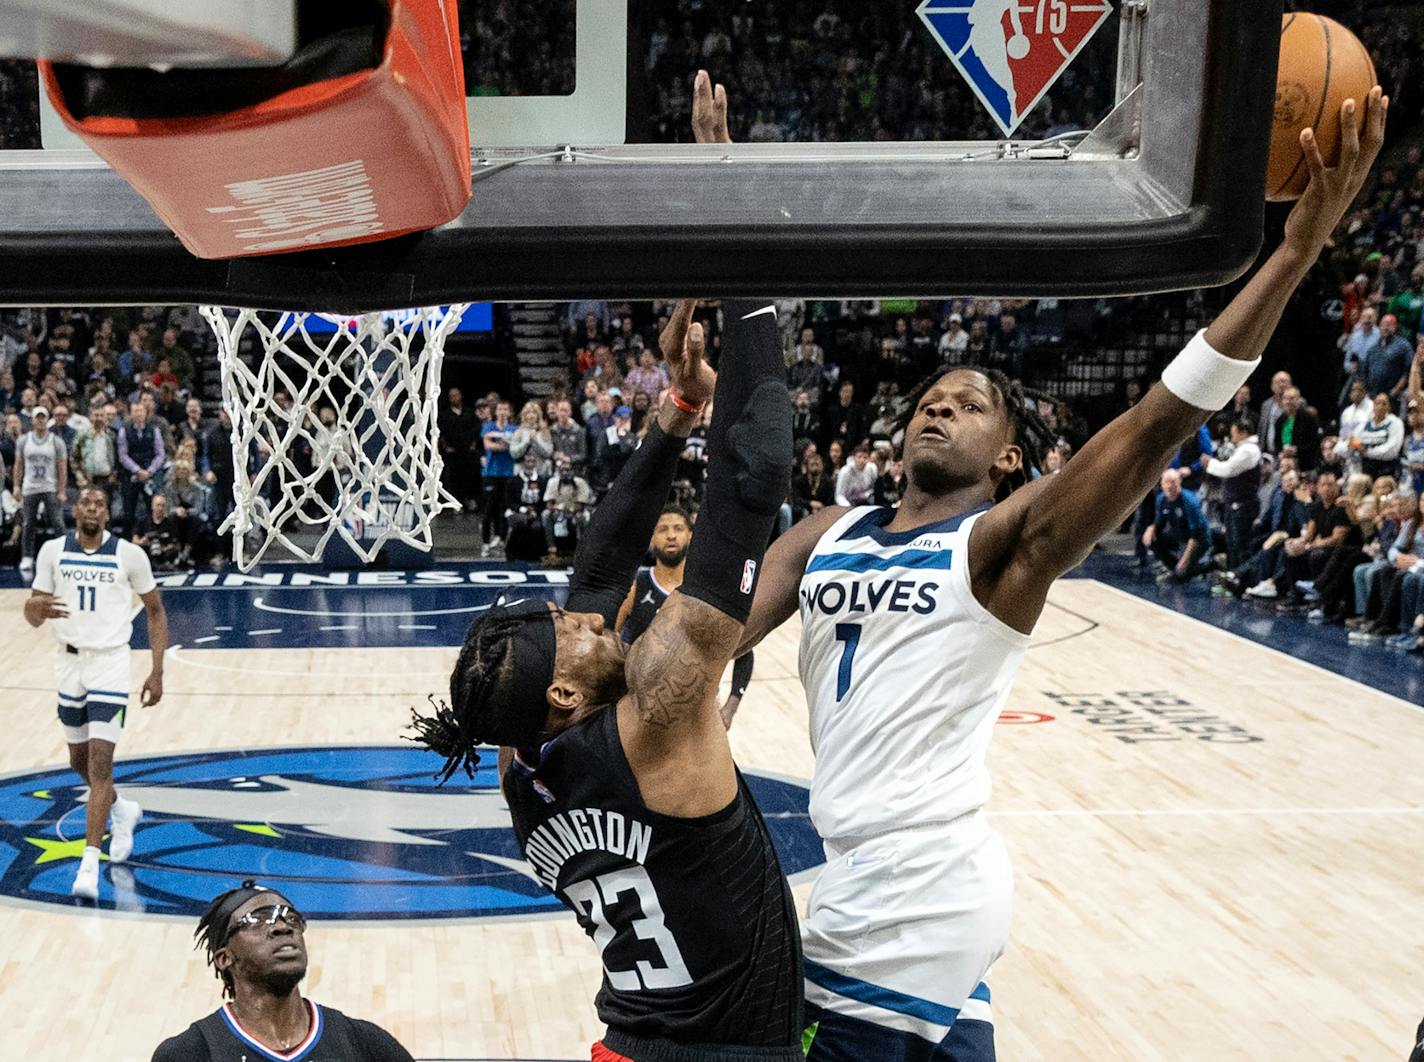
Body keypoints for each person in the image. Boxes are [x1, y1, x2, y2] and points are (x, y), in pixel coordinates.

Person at [729, 88, 1387, 1060]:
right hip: (881, 884)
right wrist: (733, 247)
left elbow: (1153, 423)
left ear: (1006, 459)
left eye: (969, 405)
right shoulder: (827, 529)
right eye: (930, 400)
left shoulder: (1000, 547)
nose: (940, 408)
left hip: (901, 904)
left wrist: (1289, 257)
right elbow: (712, 622)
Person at [413, 121, 805, 1062]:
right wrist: (738, 256)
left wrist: (677, 410)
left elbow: (595, 567)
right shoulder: (660, 708)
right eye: (567, 630)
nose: (582, 614)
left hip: (633, 1042)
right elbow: (754, 481)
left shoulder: (524, 762)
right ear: (561, 689)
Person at [23, 486, 167, 899]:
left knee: (101, 764)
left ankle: (89, 863)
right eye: (85, 502)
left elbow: (155, 610)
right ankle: (121, 811)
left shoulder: (130, 555)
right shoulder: (53, 552)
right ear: (74, 510)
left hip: (110, 663)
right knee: (77, 760)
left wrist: (157, 671)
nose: (91, 508)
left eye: (99, 504)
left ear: (107, 513)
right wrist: (34, 609)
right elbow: (33, 615)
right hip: (68, 662)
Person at [153, 880, 414, 1061]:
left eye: (291, 918)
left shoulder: (364, 1043)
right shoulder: (190, 1053)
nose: (282, 927)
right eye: (257, 920)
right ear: (225, 958)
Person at [616, 505, 756, 728]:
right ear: (652, 538)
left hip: (697, 712)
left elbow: (744, 652)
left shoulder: (707, 590)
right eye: (662, 529)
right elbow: (609, 641)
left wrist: (730, 708)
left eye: (678, 528)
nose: (671, 535)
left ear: (690, 535)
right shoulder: (636, 587)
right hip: (638, 707)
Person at [14, 404, 66, 577]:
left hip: (50, 487)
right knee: (28, 524)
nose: (41, 420)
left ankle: (64, 554)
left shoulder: (56, 441)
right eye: (38, 417)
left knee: (57, 523)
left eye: (43, 417)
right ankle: (27, 556)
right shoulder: (23, 440)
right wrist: (16, 485)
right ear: (33, 420)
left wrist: (62, 490)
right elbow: (18, 465)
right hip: (30, 487)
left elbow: (62, 468)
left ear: (47, 419)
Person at [1203, 419, 1262, 569]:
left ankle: (1242, 580)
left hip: (1242, 506)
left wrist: (1210, 463)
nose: (1232, 437)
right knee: (1231, 544)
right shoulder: (1243, 448)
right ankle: (1232, 578)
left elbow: (1228, 470)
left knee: (1241, 545)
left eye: (1234, 433)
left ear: (1243, 433)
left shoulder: (1248, 450)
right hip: (1234, 506)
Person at [1143, 468, 1214, 582]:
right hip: (1179, 535)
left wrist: (1184, 560)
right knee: (1152, 540)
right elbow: (1159, 522)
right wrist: (1151, 528)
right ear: (1161, 484)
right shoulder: (1161, 499)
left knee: (1182, 576)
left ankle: (1212, 565)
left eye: (1173, 482)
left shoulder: (1190, 501)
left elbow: (1195, 535)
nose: (1170, 486)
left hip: (1198, 540)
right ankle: (1175, 569)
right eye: (1167, 482)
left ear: (1179, 482)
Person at [480, 399, 516, 554]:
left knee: (504, 508)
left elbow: (515, 446)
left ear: (509, 412)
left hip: (508, 473)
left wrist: (500, 441)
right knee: (489, 509)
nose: (502, 412)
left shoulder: (515, 428)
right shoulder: (488, 426)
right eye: (500, 409)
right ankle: (486, 542)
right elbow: (488, 445)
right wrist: (505, 443)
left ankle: (501, 539)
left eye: (505, 409)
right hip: (491, 473)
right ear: (496, 412)